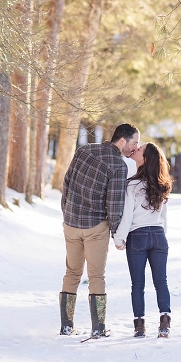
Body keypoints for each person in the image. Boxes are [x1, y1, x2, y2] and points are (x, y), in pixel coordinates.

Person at [59, 123, 139, 337]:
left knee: (72, 272)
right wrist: (116, 234)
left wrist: (66, 212)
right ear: (122, 140)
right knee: (96, 276)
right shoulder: (118, 165)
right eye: (134, 143)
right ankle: (98, 328)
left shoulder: (84, 150)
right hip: (95, 227)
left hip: (71, 224)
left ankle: (66, 326)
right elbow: (114, 204)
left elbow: (67, 182)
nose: (135, 148)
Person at [114, 142, 174, 338]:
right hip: (158, 236)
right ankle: (164, 322)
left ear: (145, 159)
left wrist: (119, 238)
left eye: (140, 149)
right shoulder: (162, 184)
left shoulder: (132, 185)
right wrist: (161, 234)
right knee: (161, 281)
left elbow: (128, 217)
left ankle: (139, 326)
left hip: (137, 237)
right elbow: (164, 218)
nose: (136, 148)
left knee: (137, 284)